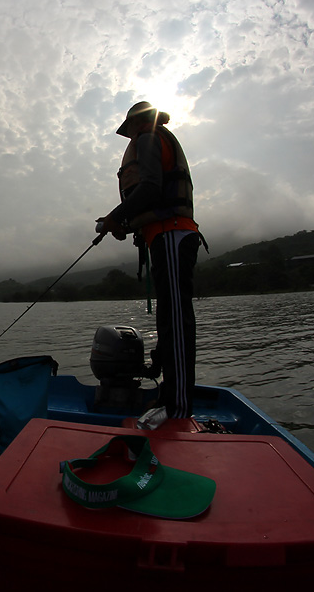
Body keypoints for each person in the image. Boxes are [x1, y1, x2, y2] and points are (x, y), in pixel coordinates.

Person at [97, 101, 205, 418]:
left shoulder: (147, 138)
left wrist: (114, 218)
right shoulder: (150, 140)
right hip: (163, 234)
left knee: (175, 320)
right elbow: (151, 197)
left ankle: (178, 408)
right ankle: (169, 398)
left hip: (172, 232)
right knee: (168, 318)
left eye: (128, 127)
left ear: (137, 123)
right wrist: (126, 224)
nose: (128, 134)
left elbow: (150, 188)